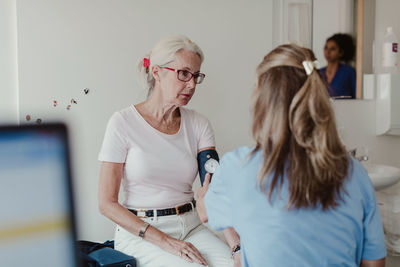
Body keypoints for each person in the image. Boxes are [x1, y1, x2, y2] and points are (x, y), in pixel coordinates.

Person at [196, 44, 386, 267]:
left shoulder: (237, 167)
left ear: (261, 97)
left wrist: (202, 197)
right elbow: (374, 263)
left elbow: (206, 213)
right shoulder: (354, 173)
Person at [98, 35, 237, 267]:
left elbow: (212, 190)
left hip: (190, 227)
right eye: (183, 73)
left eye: (195, 76)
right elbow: (106, 204)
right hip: (142, 233)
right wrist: (164, 241)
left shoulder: (199, 124)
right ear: (156, 72)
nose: (191, 84)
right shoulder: (122, 122)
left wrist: (236, 246)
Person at [320, 33, 356, 98]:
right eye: (326, 48)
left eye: (332, 49)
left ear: (341, 53)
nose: (328, 52)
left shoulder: (348, 72)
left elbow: (356, 95)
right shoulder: (319, 73)